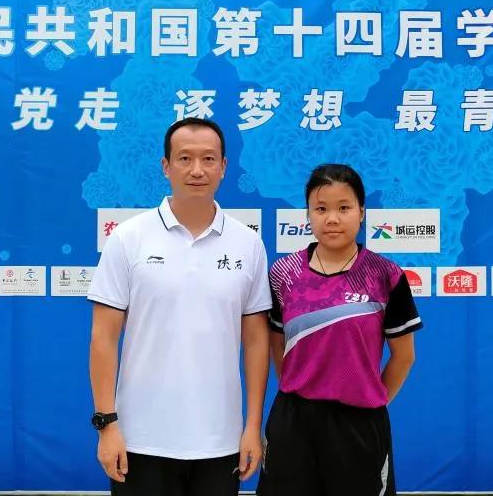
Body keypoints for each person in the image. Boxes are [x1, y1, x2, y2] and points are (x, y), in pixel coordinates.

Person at [87, 117, 271, 496]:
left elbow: (256, 341)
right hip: (139, 440)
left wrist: (253, 426)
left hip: (220, 441)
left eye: (208, 159)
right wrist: (107, 425)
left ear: (224, 166)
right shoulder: (128, 238)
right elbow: (103, 338)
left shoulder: (248, 243)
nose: (197, 170)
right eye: (185, 158)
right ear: (166, 166)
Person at [258, 163, 422, 496]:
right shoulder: (283, 274)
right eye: (321, 209)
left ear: (362, 212)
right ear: (308, 215)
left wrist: (370, 399)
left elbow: (404, 357)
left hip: (360, 425)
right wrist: (299, 386)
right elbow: (277, 344)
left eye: (344, 208)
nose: (332, 218)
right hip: (294, 422)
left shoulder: (385, 275)